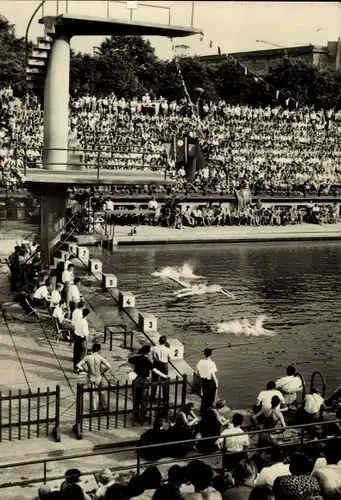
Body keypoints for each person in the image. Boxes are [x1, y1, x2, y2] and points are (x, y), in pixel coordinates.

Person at [128, 345, 169, 423]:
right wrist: (165, 376)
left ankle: (135, 415)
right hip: (145, 380)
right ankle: (143, 416)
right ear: (149, 352)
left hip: (137, 378)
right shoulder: (147, 361)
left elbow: (129, 360)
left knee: (136, 398)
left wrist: (134, 369)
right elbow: (155, 370)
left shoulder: (137, 358)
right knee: (144, 399)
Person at [77, 343, 111, 411]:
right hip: (98, 377)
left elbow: (78, 365)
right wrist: (103, 372)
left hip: (90, 377)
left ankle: (93, 408)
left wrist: (85, 370)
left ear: (92, 349)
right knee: (102, 392)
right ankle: (104, 406)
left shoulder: (87, 357)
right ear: (99, 350)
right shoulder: (100, 358)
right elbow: (109, 366)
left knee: (92, 394)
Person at [196, 348, 219, 414]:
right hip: (210, 382)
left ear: (204, 354)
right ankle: (208, 412)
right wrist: (216, 383)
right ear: (211, 354)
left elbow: (198, 372)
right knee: (210, 399)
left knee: (204, 397)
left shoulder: (200, 361)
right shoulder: (212, 363)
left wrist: (201, 377)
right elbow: (213, 375)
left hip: (203, 381)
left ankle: (202, 410)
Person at [150, 335, 171, 403]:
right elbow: (169, 358)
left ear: (159, 341)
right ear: (165, 342)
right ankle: (165, 399)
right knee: (164, 381)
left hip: (156, 364)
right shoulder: (167, 349)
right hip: (164, 365)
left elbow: (152, 357)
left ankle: (152, 397)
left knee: (154, 381)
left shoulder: (154, 348)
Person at [73, 308, 90, 372]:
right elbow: (85, 333)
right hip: (81, 340)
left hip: (76, 338)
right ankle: (80, 369)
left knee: (76, 355)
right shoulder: (84, 322)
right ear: (87, 315)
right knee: (82, 355)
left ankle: (75, 368)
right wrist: (87, 341)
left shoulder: (78, 320)